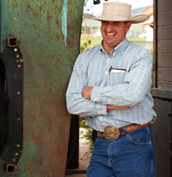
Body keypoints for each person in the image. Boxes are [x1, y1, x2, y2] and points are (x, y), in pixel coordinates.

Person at [65, 2, 155, 176]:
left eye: (116, 23)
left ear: (127, 26)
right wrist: (108, 106)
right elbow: (72, 103)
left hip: (134, 143)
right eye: (105, 22)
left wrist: (92, 93)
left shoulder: (140, 56)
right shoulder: (85, 59)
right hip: (101, 142)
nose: (109, 28)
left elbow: (132, 95)